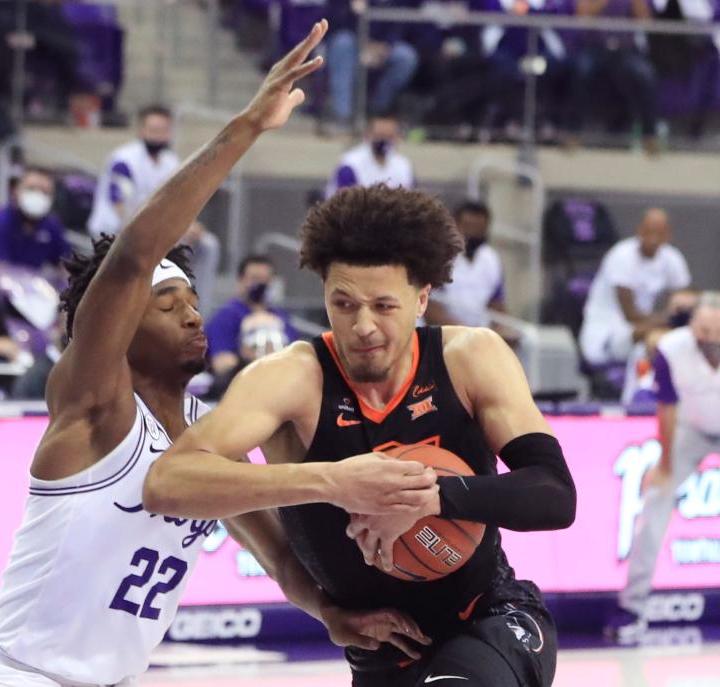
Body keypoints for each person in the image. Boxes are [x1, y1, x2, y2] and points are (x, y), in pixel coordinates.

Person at [0, 21, 435, 686]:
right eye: (167, 302)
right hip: (13, 675)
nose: (192, 310)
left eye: (192, 297)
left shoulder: (212, 437)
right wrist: (246, 128)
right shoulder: (93, 407)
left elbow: (280, 558)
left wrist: (329, 611)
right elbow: (130, 260)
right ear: (119, 325)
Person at [146, 182, 577, 687]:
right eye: (344, 303)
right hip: (381, 648)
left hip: (491, 617)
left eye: (384, 306)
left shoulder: (470, 358)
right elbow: (168, 484)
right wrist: (332, 483)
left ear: (422, 299)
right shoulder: (291, 378)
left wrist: (427, 497)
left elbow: (554, 494)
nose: (363, 326)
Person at [607, 292, 720, 641]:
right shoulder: (672, 349)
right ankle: (631, 607)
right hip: (691, 431)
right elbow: (667, 407)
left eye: (717, 333)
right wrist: (665, 462)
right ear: (693, 326)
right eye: (703, 331)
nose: (709, 339)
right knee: (656, 500)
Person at [579, 208, 691, 366]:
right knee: (653, 336)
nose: (652, 239)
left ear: (667, 235)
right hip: (607, 334)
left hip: (640, 338)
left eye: (658, 233)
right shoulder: (621, 255)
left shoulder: (671, 258)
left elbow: (686, 294)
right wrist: (669, 320)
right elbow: (630, 315)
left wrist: (686, 309)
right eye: (648, 232)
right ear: (639, 231)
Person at [565, 0, 660, 152]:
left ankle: (650, 135)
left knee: (646, 75)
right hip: (594, 47)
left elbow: (646, 21)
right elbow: (581, 15)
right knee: (581, 71)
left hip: (625, 50)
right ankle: (572, 132)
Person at [324, 0, 420, 129]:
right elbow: (333, 22)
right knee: (342, 43)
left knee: (406, 57)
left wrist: (385, 46)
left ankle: (377, 110)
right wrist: (353, 11)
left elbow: (401, 23)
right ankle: (342, 116)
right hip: (354, 42)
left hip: (383, 46)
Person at [87, 104, 179, 236]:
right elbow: (120, 206)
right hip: (111, 232)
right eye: (154, 130)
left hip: (152, 231)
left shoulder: (171, 161)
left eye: (163, 130)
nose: (158, 136)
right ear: (141, 131)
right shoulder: (124, 159)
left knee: (206, 243)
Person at [205, 254, 299, 378]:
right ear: (240, 281)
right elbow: (222, 364)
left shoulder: (281, 317)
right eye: (254, 278)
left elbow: (296, 357)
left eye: (266, 279)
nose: (261, 284)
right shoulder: (225, 317)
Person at [426, 200, 509, 331]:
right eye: (468, 227)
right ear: (455, 226)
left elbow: (496, 306)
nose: (473, 234)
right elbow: (431, 309)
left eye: (479, 229)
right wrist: (466, 333)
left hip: (479, 333)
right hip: (442, 332)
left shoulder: (491, 259)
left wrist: (500, 331)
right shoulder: (440, 257)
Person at [0, 167, 71, 270]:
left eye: (44, 192)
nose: (37, 195)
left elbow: (65, 265)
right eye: (31, 189)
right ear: (16, 191)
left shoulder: (52, 226)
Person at [326, 114, 415, 196]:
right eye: (380, 135)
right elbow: (345, 204)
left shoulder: (404, 165)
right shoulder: (350, 164)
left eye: (390, 136)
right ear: (368, 135)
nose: (384, 140)